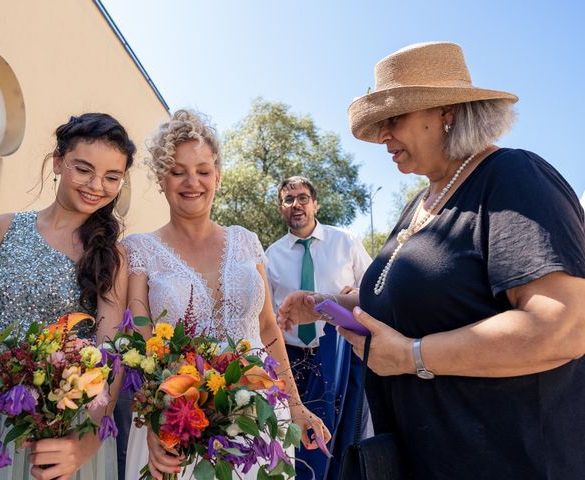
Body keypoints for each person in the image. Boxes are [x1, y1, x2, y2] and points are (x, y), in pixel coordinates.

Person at [278, 41, 585, 479]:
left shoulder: (514, 177)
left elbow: (562, 327)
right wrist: (325, 304)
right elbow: (408, 308)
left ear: (447, 113)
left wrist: (412, 356)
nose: (383, 135)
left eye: (395, 119)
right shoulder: (421, 203)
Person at [121, 110, 331, 479]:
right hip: (179, 420)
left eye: (203, 170)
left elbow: (268, 330)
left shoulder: (247, 242)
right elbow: (140, 344)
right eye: (177, 170)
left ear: (217, 175)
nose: (192, 182)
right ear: (160, 178)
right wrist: (157, 420)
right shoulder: (139, 250)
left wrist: (296, 406)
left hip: (260, 417)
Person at [0, 113, 134, 480]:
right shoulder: (2, 228)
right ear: (59, 161)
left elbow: (110, 354)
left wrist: (87, 442)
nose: (97, 185)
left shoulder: (111, 255)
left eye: (112, 177)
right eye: (84, 169)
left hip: (56, 421)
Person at [265, 176, 372, 480]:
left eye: (302, 198)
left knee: (344, 434)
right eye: (288, 199)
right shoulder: (271, 256)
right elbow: (266, 313)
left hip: (341, 354)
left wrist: (353, 296)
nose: (296, 205)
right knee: (301, 439)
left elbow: (374, 289)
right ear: (280, 208)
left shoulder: (346, 242)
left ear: (315, 204)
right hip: (293, 360)